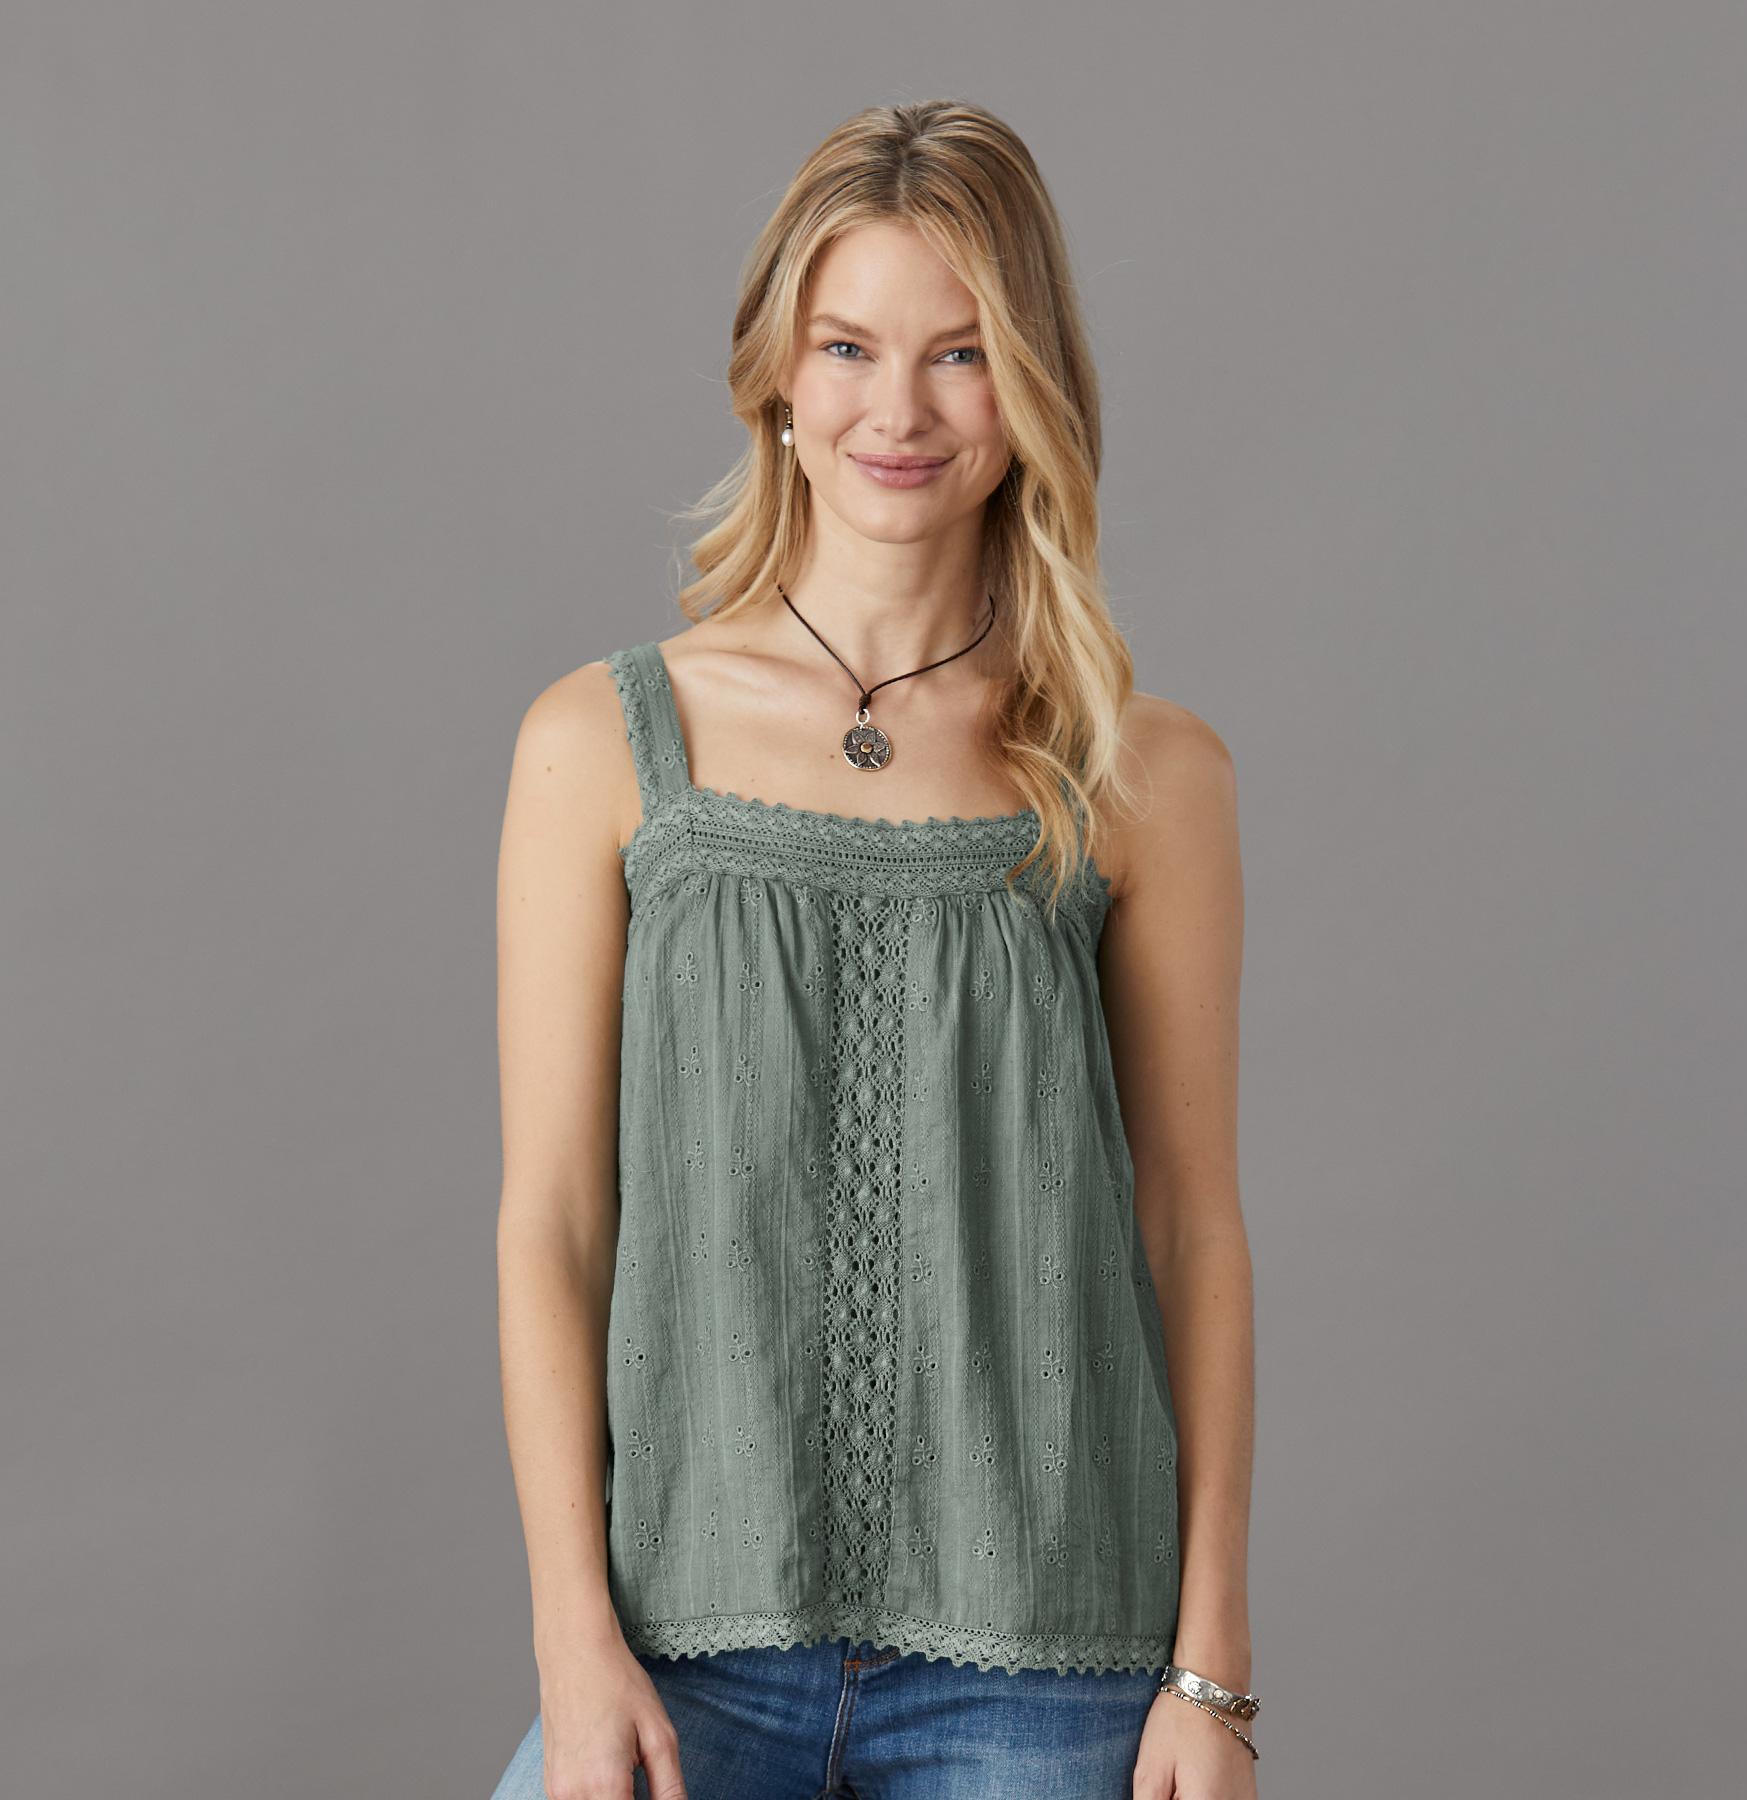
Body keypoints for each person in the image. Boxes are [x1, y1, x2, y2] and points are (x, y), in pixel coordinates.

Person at [490, 99, 1255, 1800]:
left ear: (1033, 385)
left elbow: (1191, 1229)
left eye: (960, 354)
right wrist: (570, 1635)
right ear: (776, 370)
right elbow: (553, 1220)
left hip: (1051, 1669)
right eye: (847, 346)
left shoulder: (1141, 774)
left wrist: (1212, 1674)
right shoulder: (600, 746)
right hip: (679, 1648)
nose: (896, 411)